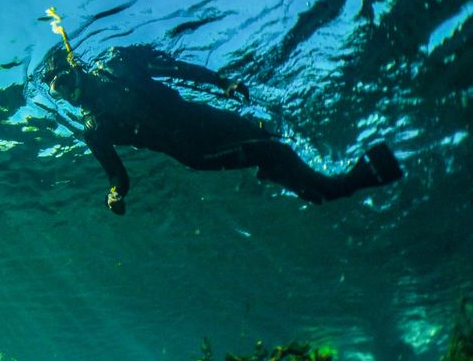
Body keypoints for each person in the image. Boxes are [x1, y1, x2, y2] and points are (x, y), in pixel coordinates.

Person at [38, 12, 403, 215]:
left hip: (205, 117)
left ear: (76, 66)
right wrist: (114, 195)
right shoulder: (94, 129)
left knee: (274, 138)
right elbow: (118, 175)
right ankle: (340, 186)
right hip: (196, 150)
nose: (69, 93)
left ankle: (287, 179)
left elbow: (176, 68)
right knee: (274, 150)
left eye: (66, 81)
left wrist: (222, 82)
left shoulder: (118, 64)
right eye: (58, 91)